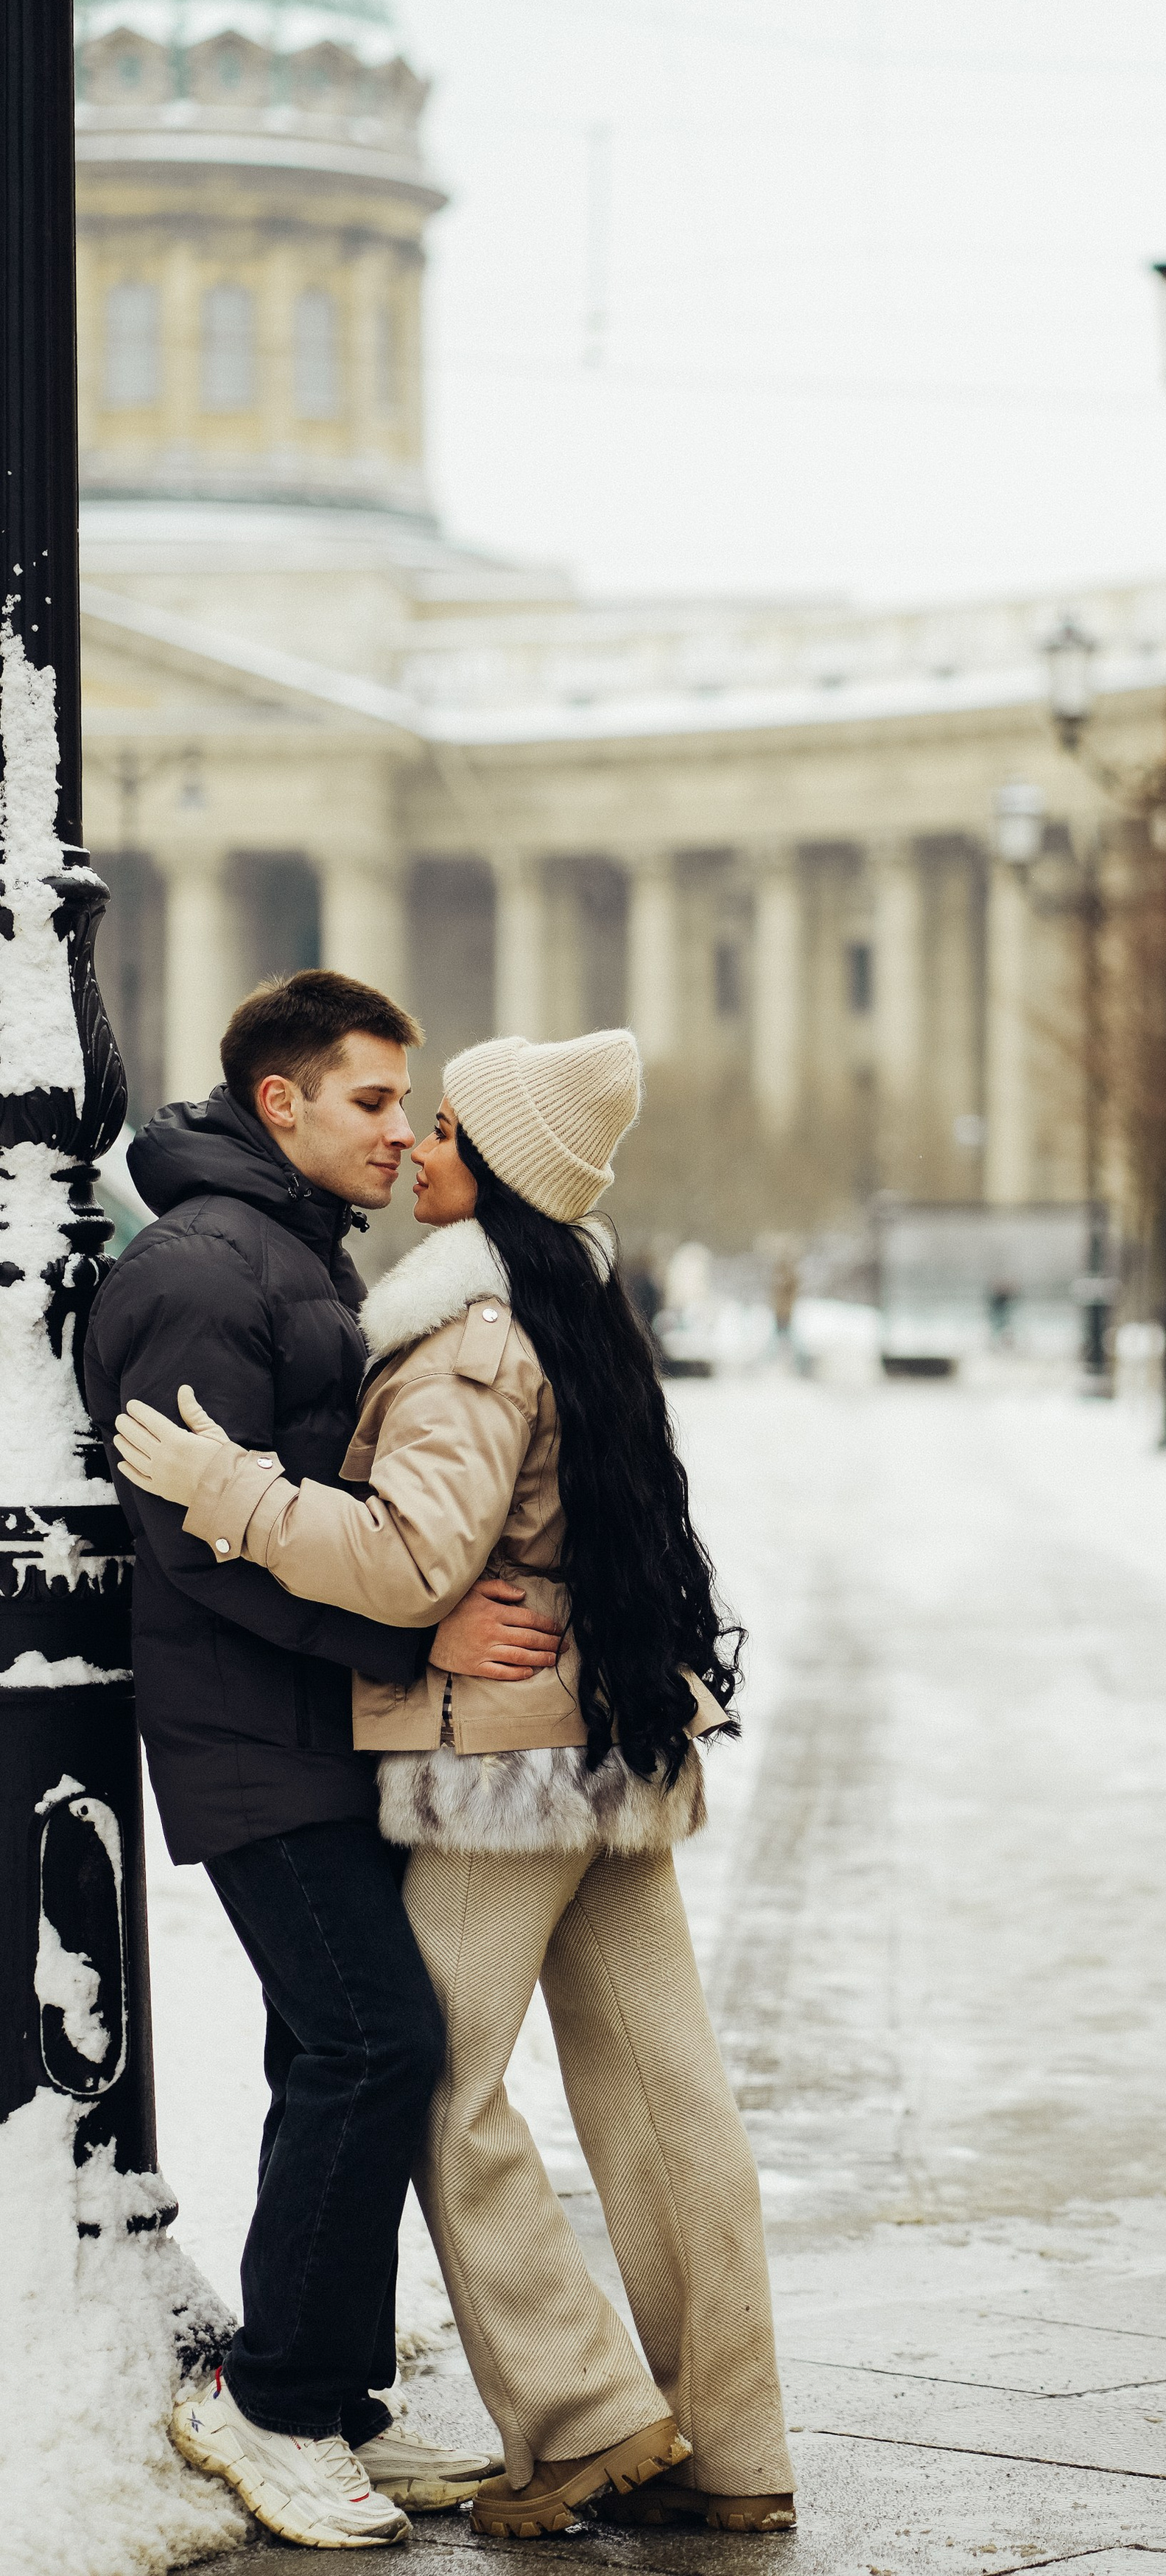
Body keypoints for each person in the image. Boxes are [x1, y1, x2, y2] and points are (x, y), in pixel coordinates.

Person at [115, 1026, 797, 2542]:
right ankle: (734, 2446)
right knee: (663, 2099)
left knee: (428, 2081)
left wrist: (231, 1489)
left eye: (440, 1130)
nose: (416, 1147)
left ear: (492, 1170)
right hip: (607, 1740)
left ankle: (581, 2419)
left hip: (502, 1769)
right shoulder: (569, 1314)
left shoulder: (466, 1337)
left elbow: (414, 1555)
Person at [84, 972, 532, 2549]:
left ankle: (327, 2393)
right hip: (248, 1733)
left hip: (316, 1727)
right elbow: (200, 1548)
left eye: (407, 1104)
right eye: (370, 1100)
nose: (400, 1133)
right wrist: (415, 1644)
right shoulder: (206, 1272)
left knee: (330, 2055)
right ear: (279, 1102)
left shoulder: (284, 1250)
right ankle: (267, 2405)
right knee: (371, 2044)